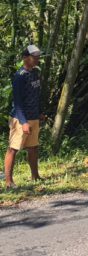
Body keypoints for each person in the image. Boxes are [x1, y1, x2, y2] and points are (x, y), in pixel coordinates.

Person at [4, 45, 44, 189]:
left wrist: (40, 112)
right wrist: (23, 122)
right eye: (35, 57)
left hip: (34, 116)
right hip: (20, 118)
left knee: (33, 147)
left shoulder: (35, 73)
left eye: (38, 57)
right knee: (13, 148)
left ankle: (35, 176)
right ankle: (9, 181)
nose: (37, 59)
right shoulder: (19, 77)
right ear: (25, 58)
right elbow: (18, 102)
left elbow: (36, 95)